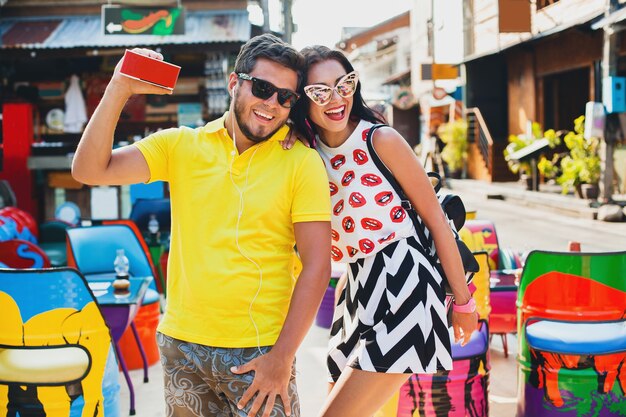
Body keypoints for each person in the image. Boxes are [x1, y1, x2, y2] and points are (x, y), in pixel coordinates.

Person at [72, 34, 332, 417]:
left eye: (285, 97)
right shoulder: (180, 146)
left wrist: (283, 357)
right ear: (234, 83)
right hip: (182, 346)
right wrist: (120, 86)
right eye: (262, 88)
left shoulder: (301, 162)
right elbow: (89, 169)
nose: (272, 104)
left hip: (260, 351)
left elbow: (318, 265)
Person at [290, 46, 478, 416]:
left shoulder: (380, 140)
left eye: (343, 84)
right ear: (303, 99)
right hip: (356, 288)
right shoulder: (305, 152)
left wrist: (464, 301)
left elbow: (437, 223)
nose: (336, 99)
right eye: (320, 91)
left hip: (405, 284)